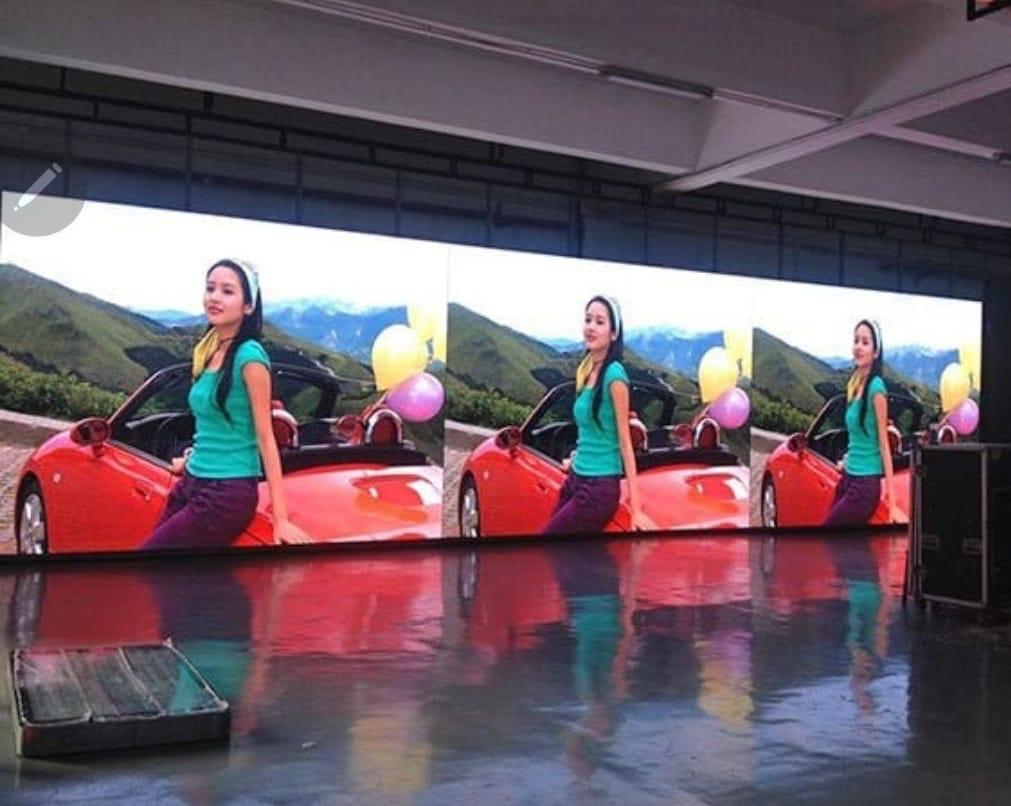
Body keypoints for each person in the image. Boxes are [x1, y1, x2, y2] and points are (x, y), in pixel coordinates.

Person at [143, 259, 311, 549]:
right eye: (211, 288)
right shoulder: (210, 349)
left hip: (227, 492)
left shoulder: (250, 357)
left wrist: (281, 519)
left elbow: (265, 438)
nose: (215, 297)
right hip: (193, 480)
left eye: (227, 291)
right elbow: (213, 426)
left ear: (248, 306)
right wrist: (191, 460)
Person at [543, 295, 650, 535]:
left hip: (599, 487)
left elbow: (625, 443)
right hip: (576, 477)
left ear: (614, 334)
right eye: (588, 319)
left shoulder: (615, 376)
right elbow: (589, 430)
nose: (591, 327)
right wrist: (576, 459)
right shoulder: (587, 368)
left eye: (600, 322)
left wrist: (636, 510)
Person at [823, 319, 899, 526]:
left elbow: (884, 445)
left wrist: (892, 504)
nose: (858, 346)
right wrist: (847, 460)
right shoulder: (855, 383)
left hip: (865, 485)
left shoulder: (876, 388)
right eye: (856, 340)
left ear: (876, 352)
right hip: (848, 477)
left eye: (865, 342)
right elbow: (857, 437)